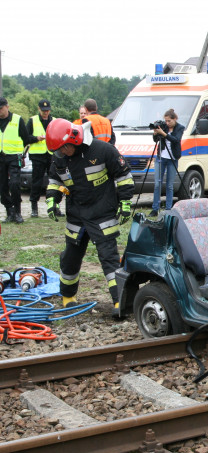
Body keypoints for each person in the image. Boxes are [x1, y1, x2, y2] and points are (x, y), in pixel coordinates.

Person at [45, 118, 134, 315]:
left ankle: (121, 300)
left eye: (63, 148)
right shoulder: (59, 156)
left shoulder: (103, 150)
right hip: (77, 214)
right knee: (70, 256)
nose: (61, 153)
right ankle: (68, 296)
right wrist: (52, 199)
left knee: (108, 257)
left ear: (74, 139)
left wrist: (125, 202)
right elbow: (54, 180)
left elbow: (124, 175)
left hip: (102, 212)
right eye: (57, 151)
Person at [0, 96, 34, 223]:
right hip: (0, 157)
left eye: (1, 108)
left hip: (14, 157)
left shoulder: (17, 119)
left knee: (14, 184)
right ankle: (10, 211)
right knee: (2, 187)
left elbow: (26, 139)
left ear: (7, 107)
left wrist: (19, 152)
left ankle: (18, 212)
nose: (0, 111)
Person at [150, 108, 184, 217]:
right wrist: (156, 133)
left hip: (172, 158)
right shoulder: (164, 127)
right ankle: (155, 208)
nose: (167, 123)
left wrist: (163, 134)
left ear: (175, 119)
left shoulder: (180, 128)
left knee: (169, 185)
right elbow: (156, 140)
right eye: (166, 121)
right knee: (157, 184)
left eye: (169, 121)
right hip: (161, 157)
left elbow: (175, 139)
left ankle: (169, 208)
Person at [26, 99, 55, 218]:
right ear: (39, 109)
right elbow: (26, 137)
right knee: (36, 181)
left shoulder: (54, 120)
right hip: (37, 155)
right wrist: (36, 138)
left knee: (54, 181)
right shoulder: (32, 120)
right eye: (43, 111)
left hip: (51, 154)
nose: (45, 113)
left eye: (47, 110)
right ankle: (34, 207)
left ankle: (55, 206)